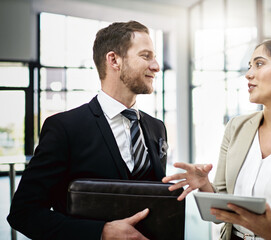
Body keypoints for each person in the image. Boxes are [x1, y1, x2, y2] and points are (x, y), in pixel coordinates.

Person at [163, 39, 271, 240]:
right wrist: (206, 185)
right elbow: (222, 211)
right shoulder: (236, 128)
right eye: (249, 66)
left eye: (259, 64)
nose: (248, 74)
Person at [8, 20, 168, 240]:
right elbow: (24, 213)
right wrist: (101, 233)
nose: (156, 66)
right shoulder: (65, 128)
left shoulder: (156, 128)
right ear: (114, 60)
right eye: (146, 56)